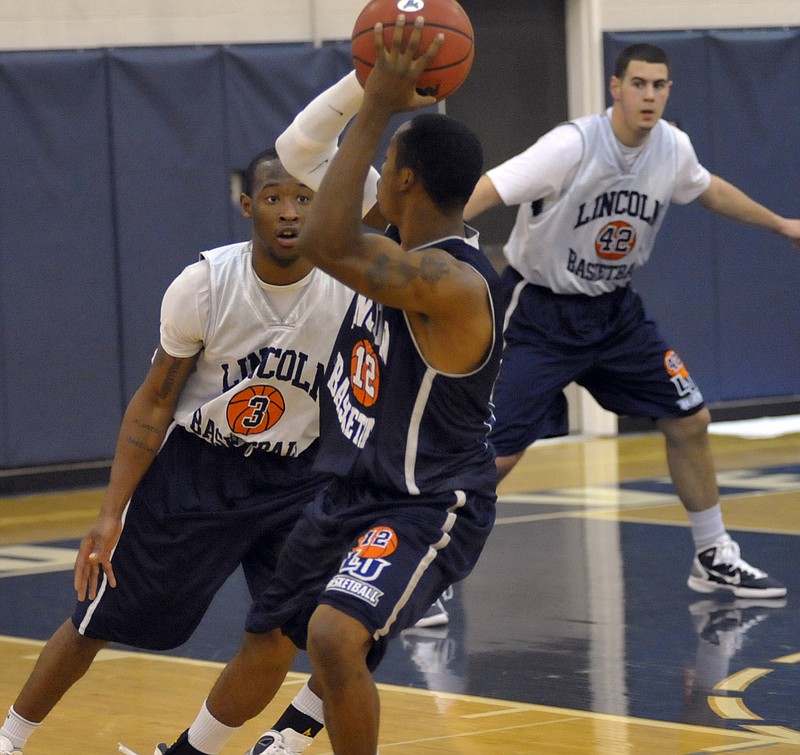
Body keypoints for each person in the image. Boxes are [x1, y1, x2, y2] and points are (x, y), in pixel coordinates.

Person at [156, 16, 503, 755]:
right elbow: (297, 155)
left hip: (426, 499)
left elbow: (321, 240)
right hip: (350, 486)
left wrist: (378, 106)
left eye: (387, 159)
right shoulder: (394, 246)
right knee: (266, 638)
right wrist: (361, 85)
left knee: (334, 635)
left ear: (402, 179)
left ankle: (300, 739)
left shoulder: (447, 280)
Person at [0, 147, 355, 755]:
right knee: (97, 618)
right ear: (248, 207)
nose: (290, 213)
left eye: (304, 198)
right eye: (274, 199)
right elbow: (154, 404)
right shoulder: (206, 285)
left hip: (300, 473)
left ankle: (192, 753)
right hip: (202, 467)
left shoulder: (349, 289)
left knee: (280, 635)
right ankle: (9, 739)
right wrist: (112, 511)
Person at [464, 42, 800, 599]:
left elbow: (708, 189)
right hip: (538, 310)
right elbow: (492, 188)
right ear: (615, 88)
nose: (649, 95)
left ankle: (713, 554)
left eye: (659, 85)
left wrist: (780, 224)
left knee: (691, 419)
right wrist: (429, 238)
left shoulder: (672, 147)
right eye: (639, 84)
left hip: (615, 314)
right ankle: (430, 567)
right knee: (493, 455)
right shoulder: (571, 145)